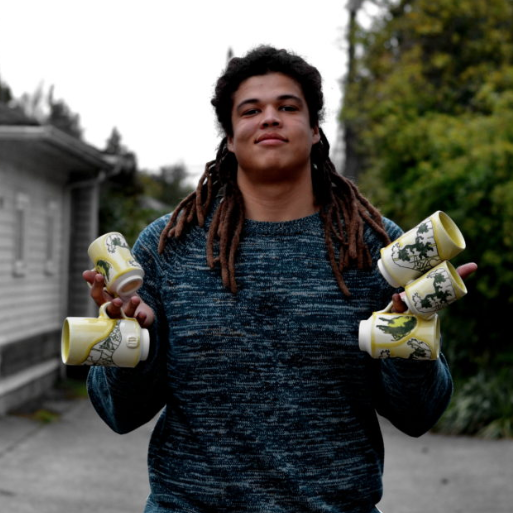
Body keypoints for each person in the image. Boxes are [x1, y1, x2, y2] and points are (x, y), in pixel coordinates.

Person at [85, 46, 477, 513]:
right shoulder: (167, 245)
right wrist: (129, 342)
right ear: (230, 138)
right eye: (251, 110)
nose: (270, 118)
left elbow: (418, 415)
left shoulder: (376, 248)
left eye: (288, 107)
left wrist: (410, 338)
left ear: (314, 131)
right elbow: (119, 413)